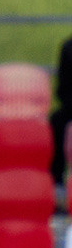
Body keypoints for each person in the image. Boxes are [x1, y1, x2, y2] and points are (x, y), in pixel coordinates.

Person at [49, 34, 72, 184]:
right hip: (70, 106)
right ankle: (55, 181)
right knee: (56, 122)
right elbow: (62, 88)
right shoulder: (68, 47)